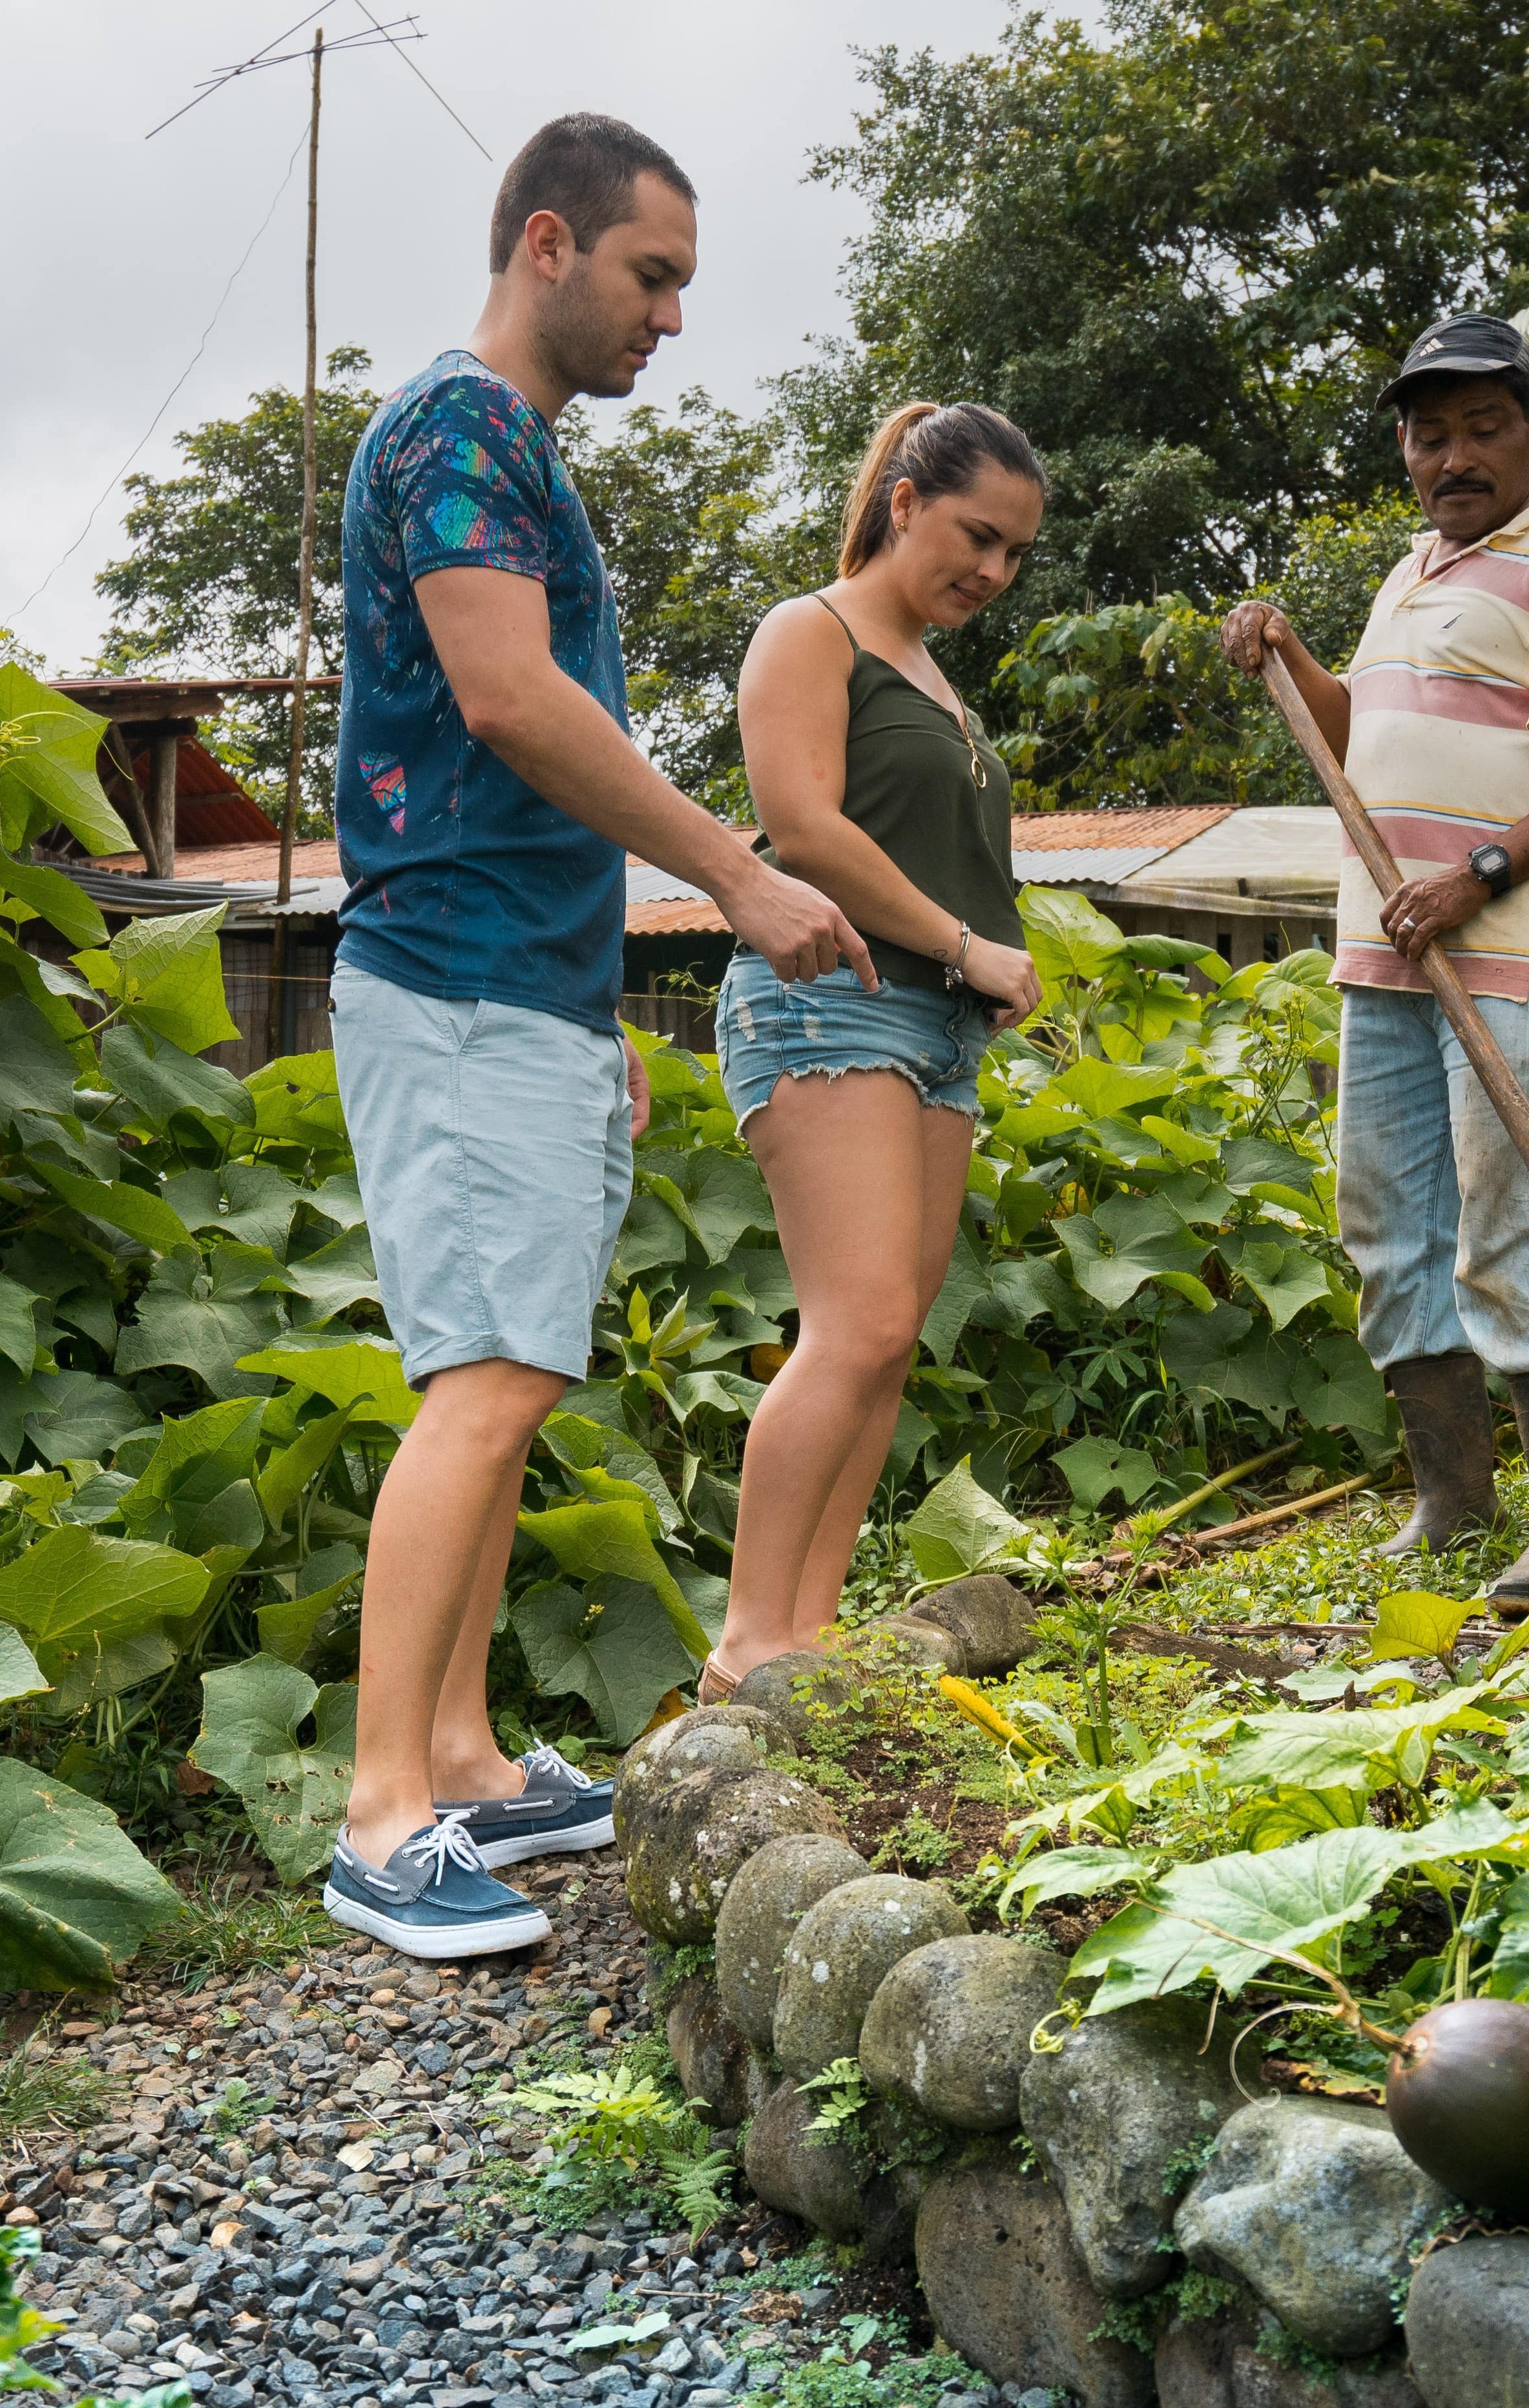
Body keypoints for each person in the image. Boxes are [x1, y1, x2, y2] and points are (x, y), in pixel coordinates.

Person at [322, 112, 876, 1961]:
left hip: (518, 984)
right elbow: (504, 696)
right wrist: (733, 873)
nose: (669, 319)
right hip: (457, 972)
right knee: (480, 1379)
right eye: (652, 277)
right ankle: (382, 1808)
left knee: (513, 1374)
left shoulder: (512, 451)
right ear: (547, 242)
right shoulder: (462, 425)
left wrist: (584, 1002)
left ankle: (465, 1756)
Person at [1220, 313, 1529, 1610]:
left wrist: (1479, 875)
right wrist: (1292, 657)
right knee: (1386, 1227)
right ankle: (1452, 1506)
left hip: (1512, 947)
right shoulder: (1413, 571)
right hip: (1385, 952)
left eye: (1481, 428)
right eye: (1429, 434)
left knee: (1517, 1227)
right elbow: (1367, 743)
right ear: (1406, 452)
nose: (1453, 457)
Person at [702, 403, 1048, 1696]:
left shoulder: (934, 672)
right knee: (854, 1326)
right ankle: (746, 1645)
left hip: (936, 1027)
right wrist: (968, 945)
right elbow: (803, 829)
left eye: (1014, 553)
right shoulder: (815, 631)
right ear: (904, 502)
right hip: (830, 1004)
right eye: (976, 536)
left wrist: (968, 971)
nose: (993, 572)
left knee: (891, 1336)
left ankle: (810, 1632)